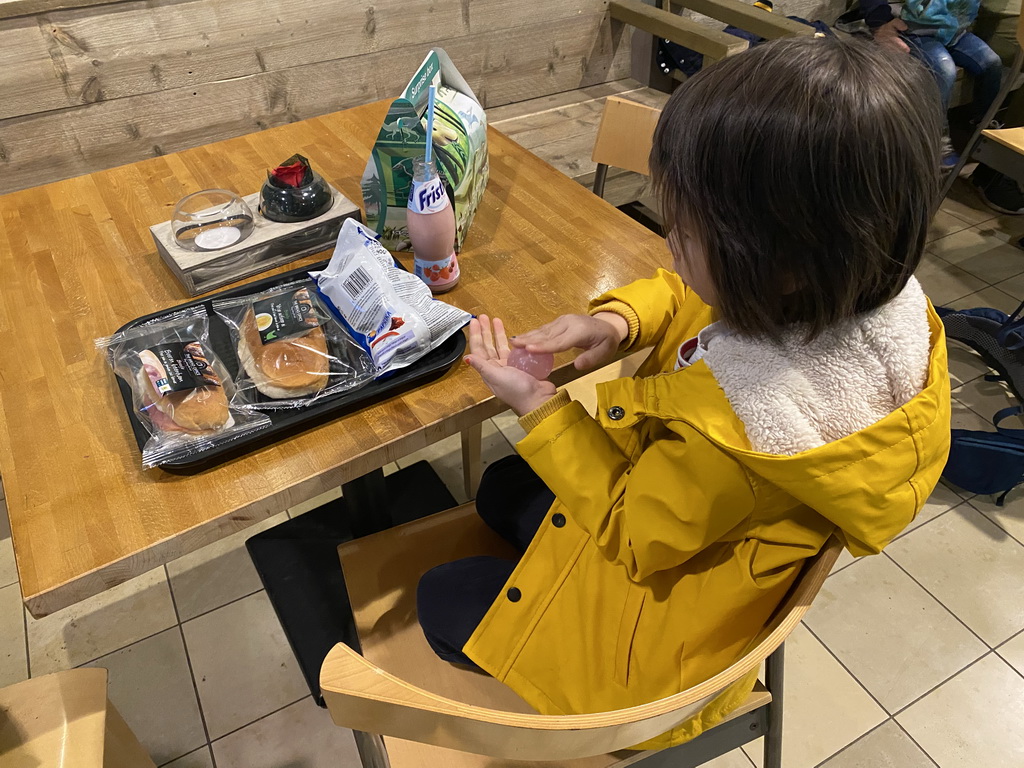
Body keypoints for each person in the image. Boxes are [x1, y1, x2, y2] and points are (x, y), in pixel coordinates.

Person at [416, 36, 952, 749]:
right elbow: (686, 295)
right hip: (684, 532)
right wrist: (617, 319)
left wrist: (537, 408)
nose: (669, 247)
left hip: (649, 659)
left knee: (437, 598)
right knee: (502, 489)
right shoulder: (846, 295)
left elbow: (636, 539)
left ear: (781, 264)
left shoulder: (747, 429)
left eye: (688, 235)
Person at [863, 0, 1003, 169]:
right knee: (944, 70)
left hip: (955, 31)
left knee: (992, 63)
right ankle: (936, 139)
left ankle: (983, 129)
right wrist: (879, 20)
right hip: (915, 30)